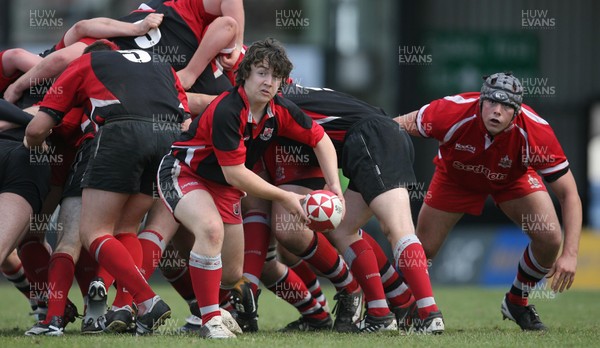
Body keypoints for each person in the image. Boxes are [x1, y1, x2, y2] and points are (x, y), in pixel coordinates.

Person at [157, 38, 343, 339]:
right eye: (261, 72)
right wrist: (286, 196)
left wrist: (334, 187)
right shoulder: (228, 110)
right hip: (183, 173)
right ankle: (209, 321)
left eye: (276, 76)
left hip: (224, 187)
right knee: (210, 230)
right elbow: (235, 175)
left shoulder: (280, 109)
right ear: (244, 75)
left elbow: (320, 139)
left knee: (232, 275)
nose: (268, 82)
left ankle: (217, 310)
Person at [24, 39, 191, 335]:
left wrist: (30, 142)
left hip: (105, 149)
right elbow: (186, 122)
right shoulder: (160, 66)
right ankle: (122, 305)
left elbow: (38, 127)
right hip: (165, 141)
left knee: (82, 236)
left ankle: (56, 318)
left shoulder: (86, 65)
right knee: (126, 230)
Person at [394, 72, 582, 331]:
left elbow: (569, 194)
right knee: (421, 252)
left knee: (550, 238)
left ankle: (517, 301)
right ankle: (397, 306)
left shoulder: (536, 130)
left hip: (511, 178)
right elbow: (393, 127)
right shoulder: (451, 111)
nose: (497, 111)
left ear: (517, 113)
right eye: (492, 102)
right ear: (480, 101)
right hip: (455, 178)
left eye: (506, 106)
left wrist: (570, 254)